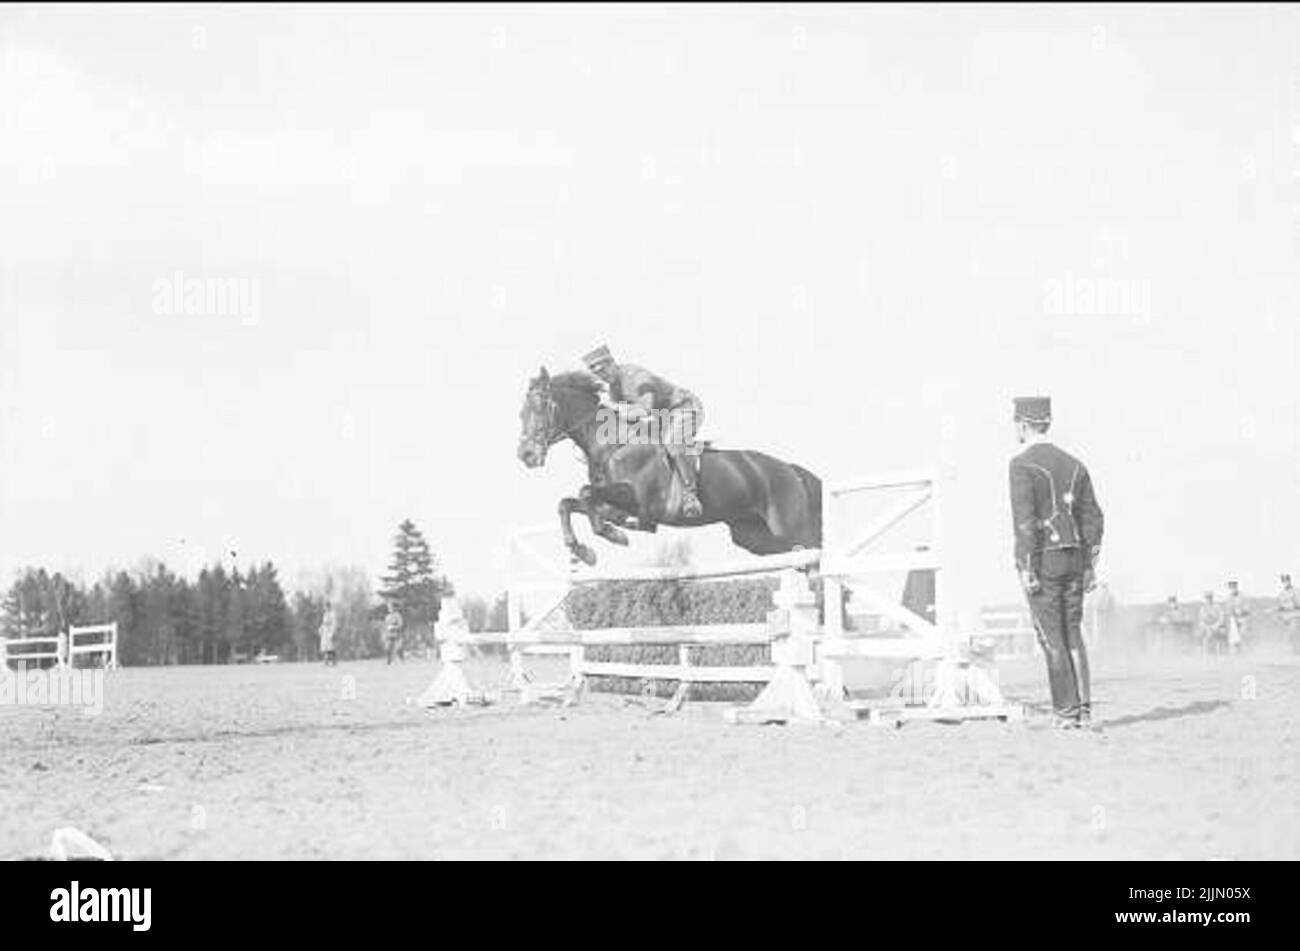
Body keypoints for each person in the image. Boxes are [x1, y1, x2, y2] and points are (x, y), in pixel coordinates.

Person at [1008, 396, 1104, 729]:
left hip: (1044, 559)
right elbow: (1093, 518)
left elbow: (1024, 522)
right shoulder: (1076, 465)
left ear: (1023, 424)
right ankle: (1084, 710)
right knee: (1072, 632)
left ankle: (1066, 713)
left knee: (1052, 637)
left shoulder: (1021, 465)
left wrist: (1027, 566)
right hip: (1075, 557)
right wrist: (1090, 564)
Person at [582, 345, 705, 518]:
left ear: (611, 363)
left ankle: (690, 495)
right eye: (597, 374)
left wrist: (617, 410)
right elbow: (625, 419)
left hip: (684, 408)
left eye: (603, 370)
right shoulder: (614, 389)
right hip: (661, 416)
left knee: (672, 442)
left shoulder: (637, 376)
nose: (602, 376)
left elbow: (645, 409)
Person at [1197, 591, 1227, 657]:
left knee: (1218, 636)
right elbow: (1201, 621)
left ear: (1212, 598)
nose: (1208, 600)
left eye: (1210, 598)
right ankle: (1204, 655)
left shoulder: (1217, 607)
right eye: (1207, 598)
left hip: (1216, 628)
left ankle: (1217, 655)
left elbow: (1221, 618)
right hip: (1206, 628)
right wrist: (1207, 627)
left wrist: (1214, 627)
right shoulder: (1203, 608)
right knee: (1202, 635)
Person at [1276, 573, 1300, 653]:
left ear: (1290, 581)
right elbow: (1280, 605)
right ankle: (1294, 649)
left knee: (1294, 632)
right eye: (1284, 581)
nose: (1285, 583)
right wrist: (1280, 609)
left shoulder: (1296, 591)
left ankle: (1297, 649)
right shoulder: (1281, 594)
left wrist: (1292, 607)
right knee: (1289, 634)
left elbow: (1298, 604)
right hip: (1286, 618)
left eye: (1287, 581)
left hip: (1295, 616)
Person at [1225, 580, 1249, 654]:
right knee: (1234, 637)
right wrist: (1233, 613)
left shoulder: (1242, 596)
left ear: (1237, 587)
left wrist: (1242, 611)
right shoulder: (1229, 597)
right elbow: (1228, 609)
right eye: (1231, 587)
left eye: (1234, 587)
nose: (1233, 589)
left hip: (1242, 618)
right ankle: (1234, 653)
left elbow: (1247, 607)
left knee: (1243, 635)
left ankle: (1244, 652)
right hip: (1233, 619)